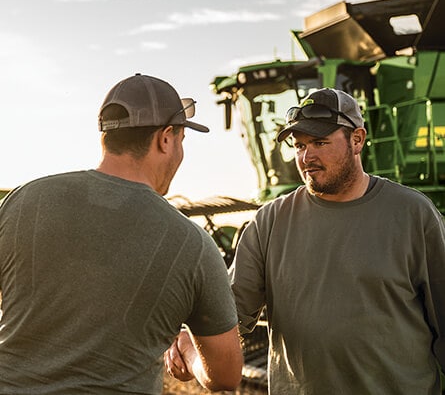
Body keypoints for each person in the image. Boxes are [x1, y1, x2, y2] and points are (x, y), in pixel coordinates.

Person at [0, 73, 243, 394]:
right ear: (166, 138)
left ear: (106, 138)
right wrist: (186, 348)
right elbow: (224, 375)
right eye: (181, 140)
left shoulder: (23, 200)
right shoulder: (192, 243)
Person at [229, 88, 445, 394]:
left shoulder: (413, 214)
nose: (306, 157)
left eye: (320, 142)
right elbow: (229, 313)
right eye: (299, 145)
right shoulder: (270, 221)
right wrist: (192, 336)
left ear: (357, 139)